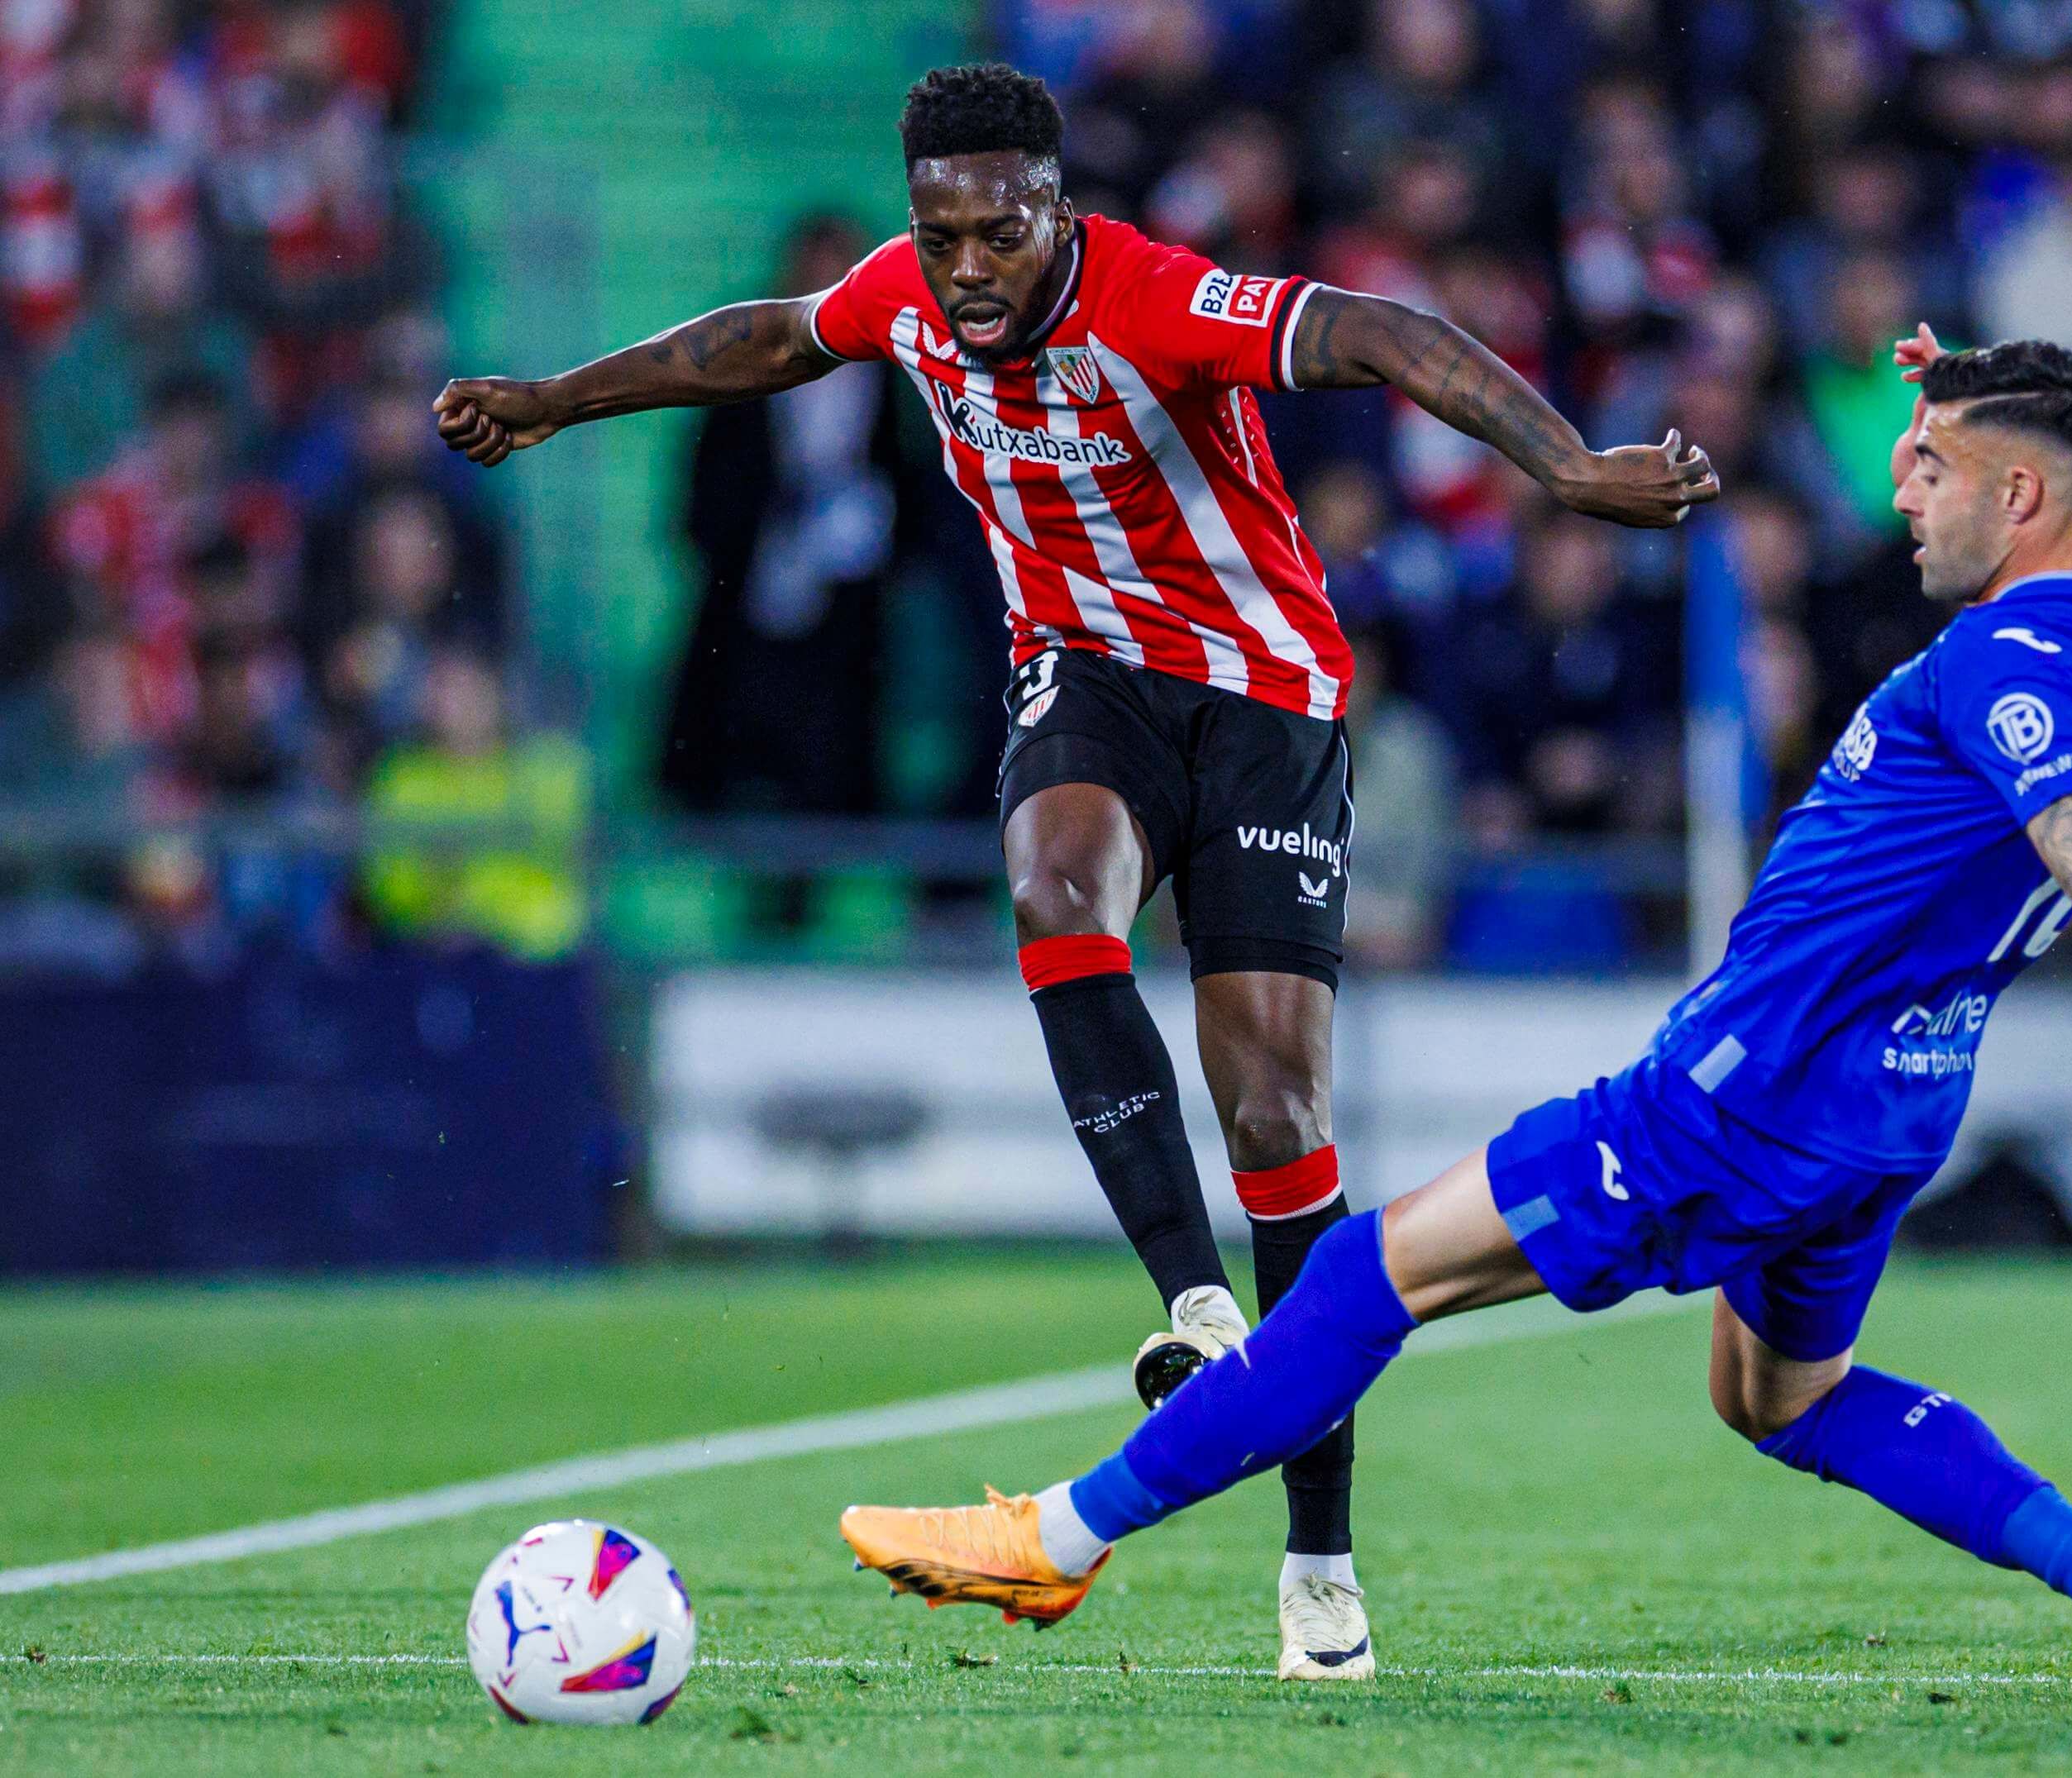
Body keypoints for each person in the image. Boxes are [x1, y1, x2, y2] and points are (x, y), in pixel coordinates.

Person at [432, 61, 1716, 1683]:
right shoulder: (909, 291)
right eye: (940, 232)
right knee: (1054, 884)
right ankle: (1195, 1306)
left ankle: (1319, 1545)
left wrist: (1564, 464)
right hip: (1083, 669)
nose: (965, 266)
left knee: (1274, 1113)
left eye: (998, 232)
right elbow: (769, 336)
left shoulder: (1160, 296)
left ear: (1058, 208)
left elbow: (1385, 334)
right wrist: (554, 400)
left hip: (1260, 688)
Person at [833, 334, 2072, 1719]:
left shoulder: (2010, 661)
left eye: (1931, 468)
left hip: (1738, 1098)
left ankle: (1053, 1545)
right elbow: (2053, 481)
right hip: (1892, 1105)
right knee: (1784, 1405)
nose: (1900, 495)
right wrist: (1968, 378)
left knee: (1354, 1280)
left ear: (2019, 500)